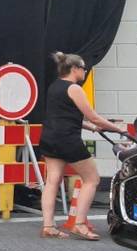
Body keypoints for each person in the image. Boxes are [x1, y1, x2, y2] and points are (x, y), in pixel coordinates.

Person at [39, 52, 125, 241]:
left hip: (49, 137)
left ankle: (48, 226)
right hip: (67, 140)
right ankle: (79, 224)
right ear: (75, 69)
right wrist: (117, 129)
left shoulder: (54, 87)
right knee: (92, 179)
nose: (85, 71)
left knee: (52, 180)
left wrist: (90, 127)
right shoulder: (74, 89)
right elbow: (93, 115)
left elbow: (64, 115)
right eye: (84, 68)